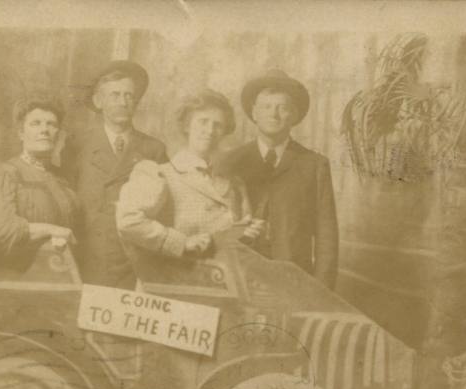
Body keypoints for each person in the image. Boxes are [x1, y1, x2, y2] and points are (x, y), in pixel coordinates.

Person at [222, 69, 339, 289]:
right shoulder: (231, 162)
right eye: (266, 107)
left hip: (293, 280)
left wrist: (321, 291)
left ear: (294, 115)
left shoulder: (314, 164)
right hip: (238, 276)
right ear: (253, 112)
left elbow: (327, 236)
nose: (273, 114)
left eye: (282, 107)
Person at [116, 89, 262, 260]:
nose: (209, 130)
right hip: (172, 281)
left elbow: (234, 243)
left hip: (220, 281)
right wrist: (180, 242)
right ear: (187, 126)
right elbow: (128, 221)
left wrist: (245, 233)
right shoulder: (159, 174)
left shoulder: (234, 185)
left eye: (218, 125)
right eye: (203, 122)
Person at [60, 60, 169, 289]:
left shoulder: (153, 149)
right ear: (99, 101)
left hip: (136, 262)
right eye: (115, 95)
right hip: (89, 258)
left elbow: (166, 212)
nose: (123, 102)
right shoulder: (77, 145)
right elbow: (64, 201)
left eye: (129, 96)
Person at [0, 95, 79, 268]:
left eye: (51, 124)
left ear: (58, 134)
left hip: (59, 273)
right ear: (21, 133)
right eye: (35, 123)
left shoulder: (62, 179)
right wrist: (52, 229)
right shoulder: (6, 174)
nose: (44, 130)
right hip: (20, 277)